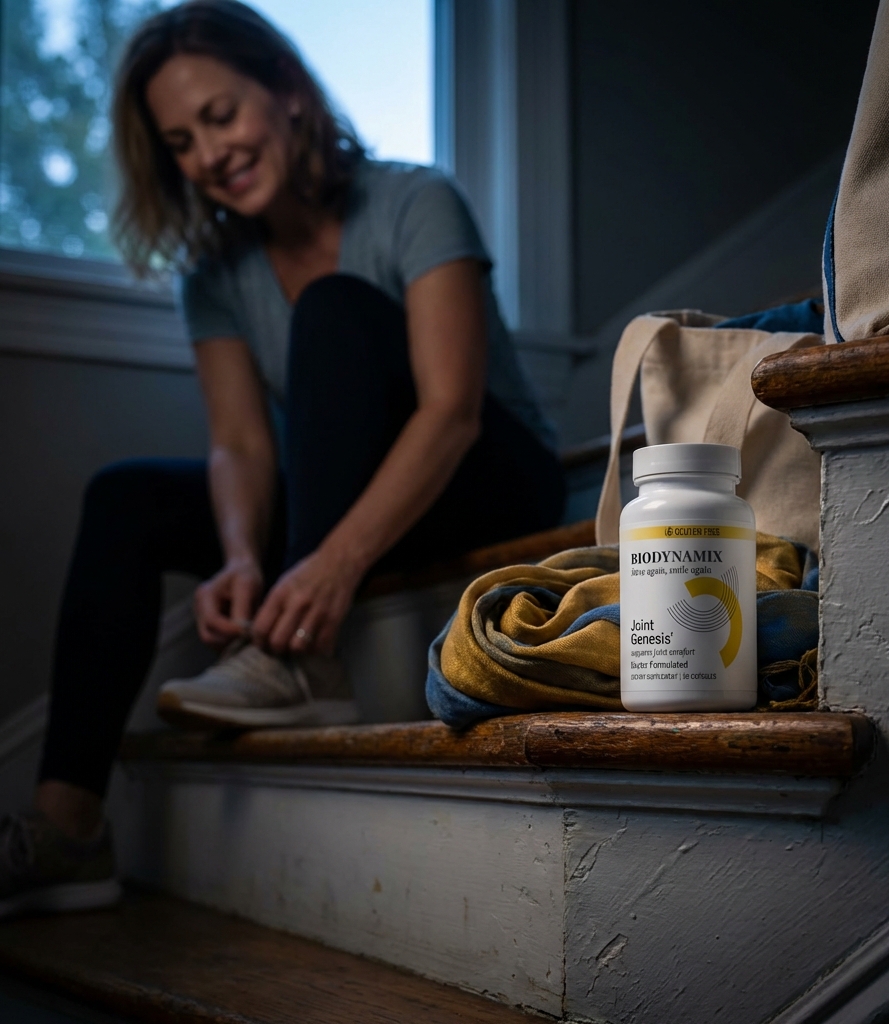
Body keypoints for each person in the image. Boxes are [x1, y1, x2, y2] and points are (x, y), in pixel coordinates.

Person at [0, 0, 563, 917]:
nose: (207, 154)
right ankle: (67, 826)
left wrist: (327, 569)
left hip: (487, 478)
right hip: (343, 492)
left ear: (289, 94)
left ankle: (303, 662)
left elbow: (453, 412)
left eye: (220, 117)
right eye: (181, 141)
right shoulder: (213, 274)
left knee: (333, 310)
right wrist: (243, 560)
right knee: (125, 498)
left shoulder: (415, 198)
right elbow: (240, 443)